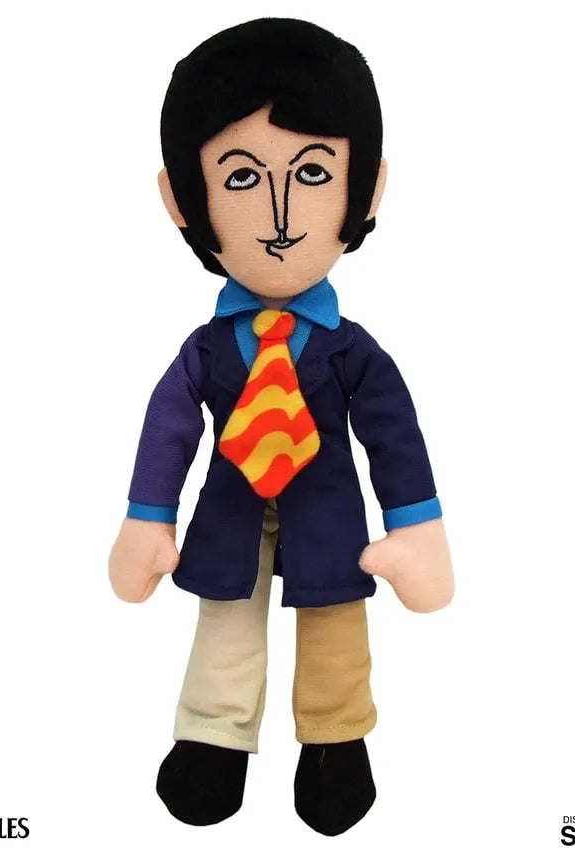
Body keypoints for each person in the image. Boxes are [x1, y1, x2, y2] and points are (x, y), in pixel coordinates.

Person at [109, 17, 454, 836]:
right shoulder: (207, 350)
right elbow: (168, 428)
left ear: (365, 190)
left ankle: (336, 741)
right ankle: (213, 736)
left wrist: (417, 526)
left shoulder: (350, 352)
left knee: (336, 627)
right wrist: (148, 517)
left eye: (312, 173)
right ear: (182, 201)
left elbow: (394, 437)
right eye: (239, 177)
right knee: (224, 620)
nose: (279, 215)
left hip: (326, 508)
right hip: (230, 507)